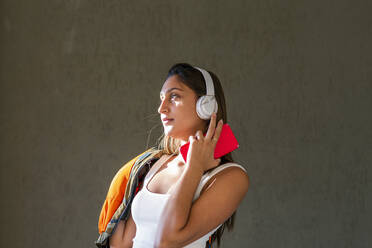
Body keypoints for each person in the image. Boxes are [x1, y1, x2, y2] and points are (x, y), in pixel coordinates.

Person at [108, 63, 249, 248]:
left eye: (174, 96)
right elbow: (122, 244)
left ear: (206, 106)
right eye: (161, 98)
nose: (162, 108)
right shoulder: (155, 165)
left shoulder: (231, 177)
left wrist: (195, 167)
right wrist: (115, 198)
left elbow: (167, 240)